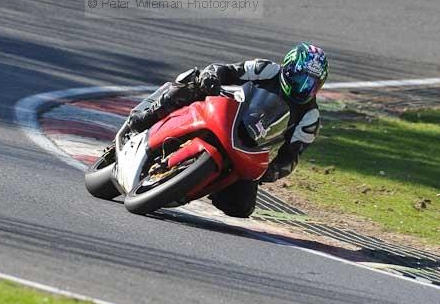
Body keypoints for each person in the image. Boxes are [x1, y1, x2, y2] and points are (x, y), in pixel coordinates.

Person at [128, 43, 328, 218]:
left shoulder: (310, 116)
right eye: (300, 78)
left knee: (241, 207)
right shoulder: (266, 69)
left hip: (249, 143)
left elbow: (291, 157)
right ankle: (149, 114)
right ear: (288, 67)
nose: (303, 87)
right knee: (194, 82)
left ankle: (196, 184)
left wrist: (269, 173)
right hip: (225, 111)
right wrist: (211, 76)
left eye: (311, 84)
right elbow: (226, 70)